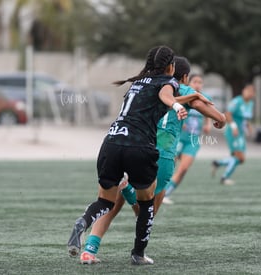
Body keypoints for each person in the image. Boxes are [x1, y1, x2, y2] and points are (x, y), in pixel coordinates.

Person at [74, 56, 226, 265]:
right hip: (160, 156)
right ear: (185, 77)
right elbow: (200, 103)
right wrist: (221, 118)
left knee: (110, 204)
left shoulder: (149, 85)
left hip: (131, 146)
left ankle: (90, 249)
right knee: (146, 211)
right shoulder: (184, 90)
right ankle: (137, 250)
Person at [67, 45, 189, 266]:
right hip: (142, 148)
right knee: (146, 205)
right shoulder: (170, 82)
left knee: (105, 201)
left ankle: (83, 223)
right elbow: (166, 94)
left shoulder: (137, 82)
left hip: (111, 142)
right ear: (171, 67)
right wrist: (177, 105)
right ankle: (138, 254)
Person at [163, 74, 212, 205]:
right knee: (167, 166)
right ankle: (158, 191)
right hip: (178, 138)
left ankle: (166, 193)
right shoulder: (184, 97)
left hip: (192, 141)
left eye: (200, 82)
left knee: (183, 169)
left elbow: (208, 113)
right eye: (195, 81)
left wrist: (207, 124)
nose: (198, 84)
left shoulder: (205, 98)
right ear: (189, 83)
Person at [212, 84, 256, 185]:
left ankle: (218, 163)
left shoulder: (250, 104)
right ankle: (224, 177)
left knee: (241, 159)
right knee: (239, 157)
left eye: (251, 91)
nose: (248, 93)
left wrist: (249, 127)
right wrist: (233, 126)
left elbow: (246, 118)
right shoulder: (237, 101)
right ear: (243, 90)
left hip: (240, 133)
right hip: (233, 132)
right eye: (247, 90)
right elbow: (227, 113)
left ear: (254, 94)